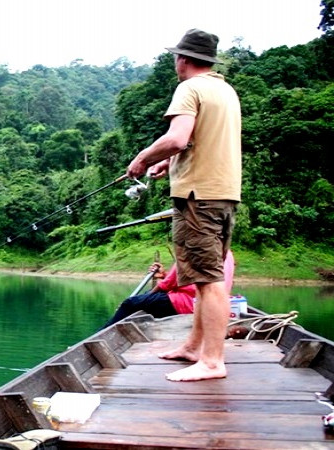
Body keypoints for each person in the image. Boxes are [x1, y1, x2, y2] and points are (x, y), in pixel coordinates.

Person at [126, 29, 242, 382]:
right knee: (201, 275)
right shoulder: (225, 90)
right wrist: (168, 163)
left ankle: (211, 361)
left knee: (207, 281)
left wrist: (143, 159)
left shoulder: (189, 88)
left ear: (183, 59)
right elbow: (195, 143)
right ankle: (194, 346)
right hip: (222, 193)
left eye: (176, 58)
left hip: (199, 198)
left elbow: (176, 138)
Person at [101, 250, 234, 329]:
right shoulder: (227, 253)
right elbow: (188, 280)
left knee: (129, 303)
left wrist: (143, 297)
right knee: (144, 300)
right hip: (215, 305)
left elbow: (165, 285)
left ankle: (102, 333)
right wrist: (164, 275)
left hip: (187, 304)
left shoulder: (195, 249)